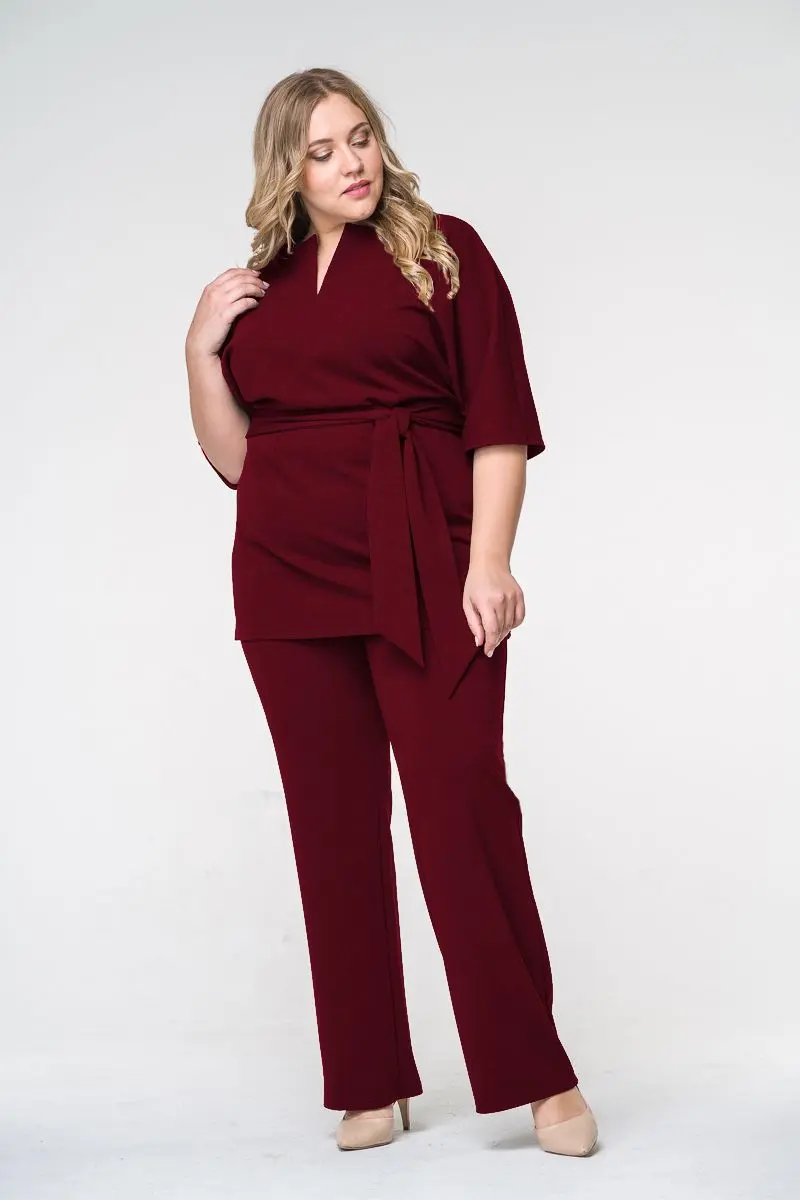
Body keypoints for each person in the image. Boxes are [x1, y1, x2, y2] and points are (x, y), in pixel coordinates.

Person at [185, 66, 599, 1157]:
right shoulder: (260, 286)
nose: (350, 163)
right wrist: (198, 350)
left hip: (425, 559)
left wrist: (489, 562)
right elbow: (239, 459)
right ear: (286, 170)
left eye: (359, 137)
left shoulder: (443, 250)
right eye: (320, 151)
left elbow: (497, 420)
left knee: (461, 809)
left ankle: (540, 1078)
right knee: (331, 830)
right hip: (286, 573)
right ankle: (369, 1077)